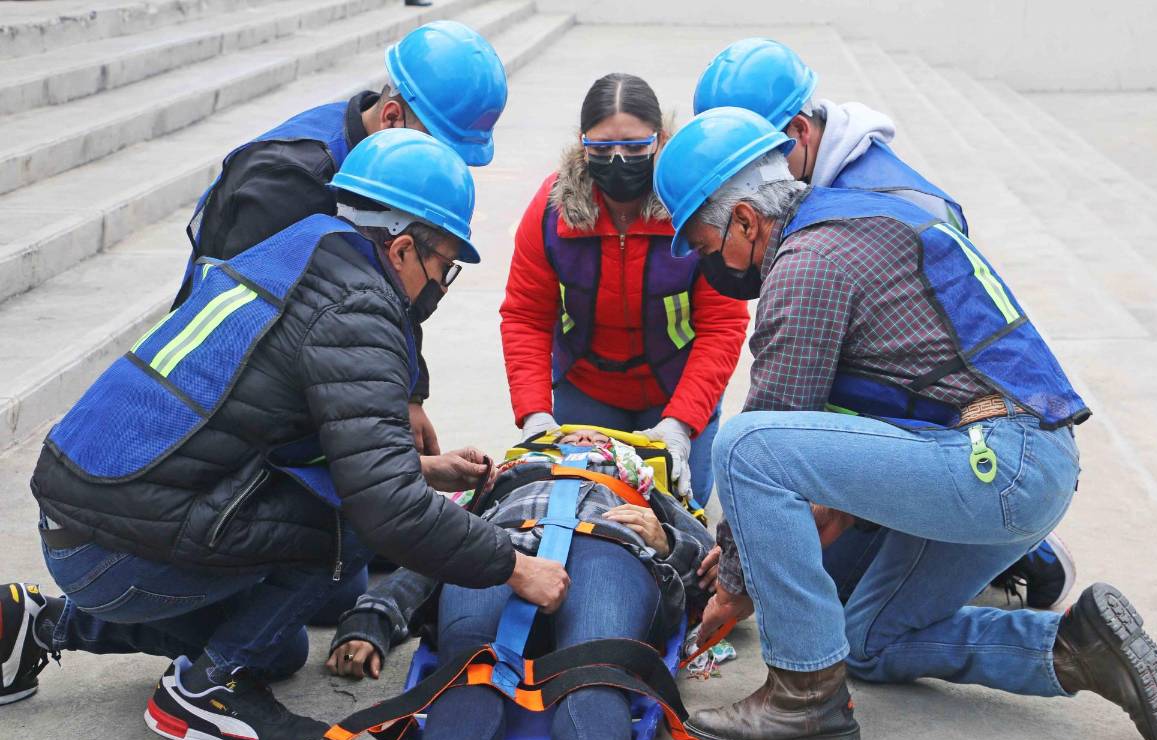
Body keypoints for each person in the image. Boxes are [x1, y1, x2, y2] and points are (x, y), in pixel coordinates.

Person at [3, 129, 569, 740]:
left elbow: (280, 418)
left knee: (279, 649)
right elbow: (388, 508)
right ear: (404, 248)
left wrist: (424, 466)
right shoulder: (359, 309)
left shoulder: (307, 243)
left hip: (85, 514)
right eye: (444, 268)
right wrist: (516, 565)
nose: (440, 286)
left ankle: (40, 624)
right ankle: (206, 693)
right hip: (115, 542)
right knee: (350, 524)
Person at [652, 107, 1157, 740]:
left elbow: (773, 429)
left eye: (713, 249)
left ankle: (803, 699)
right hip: (1028, 465)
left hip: (996, 465)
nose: (721, 268)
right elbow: (850, 430)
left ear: (744, 218)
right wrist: (770, 541)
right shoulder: (858, 216)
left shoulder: (808, 264)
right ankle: (1077, 648)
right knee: (869, 640)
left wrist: (734, 588)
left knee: (744, 445)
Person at [694, 36, 1075, 610]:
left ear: (796, 133)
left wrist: (748, 566)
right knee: (866, 638)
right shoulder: (805, 208)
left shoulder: (873, 214)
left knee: (810, 566)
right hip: (951, 432)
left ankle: (1021, 549)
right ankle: (1060, 631)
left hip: (970, 440)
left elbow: (820, 396)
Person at [314, 428, 716, 740]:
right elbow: (436, 546)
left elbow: (714, 577)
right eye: (561, 433)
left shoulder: (639, 485)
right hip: (502, 549)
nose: (582, 433)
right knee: (472, 659)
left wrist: (667, 542)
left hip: (606, 547)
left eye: (598, 437)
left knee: (597, 654)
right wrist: (372, 620)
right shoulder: (504, 483)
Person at [178, 19, 509, 458]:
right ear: (392, 116)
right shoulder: (291, 181)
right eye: (438, 148)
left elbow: (394, 282)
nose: (442, 169)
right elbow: (256, 335)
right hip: (223, 403)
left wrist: (410, 392)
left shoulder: (394, 165)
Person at [500, 73, 748, 507]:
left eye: (635, 147)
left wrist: (682, 424)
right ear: (582, 145)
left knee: (680, 501)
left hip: (675, 389)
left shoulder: (694, 208)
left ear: (661, 139)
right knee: (582, 498)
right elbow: (525, 315)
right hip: (589, 387)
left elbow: (722, 325)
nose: (618, 160)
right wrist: (536, 415)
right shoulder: (549, 213)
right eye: (601, 148)